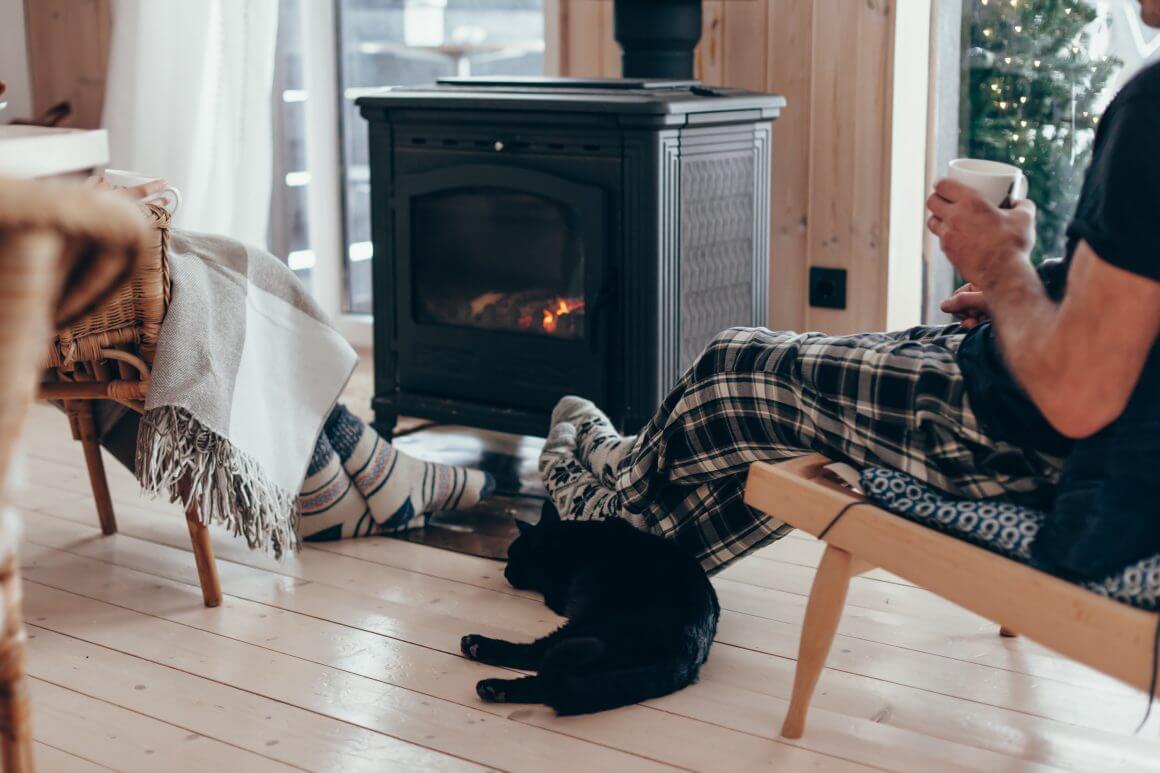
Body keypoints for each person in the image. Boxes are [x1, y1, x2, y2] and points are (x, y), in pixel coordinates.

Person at [540, 0, 1160, 579]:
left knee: (732, 365)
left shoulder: (1151, 109)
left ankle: (598, 468)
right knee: (762, 437)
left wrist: (1002, 268)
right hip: (1028, 397)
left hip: (1025, 444)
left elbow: (1078, 399)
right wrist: (1036, 291)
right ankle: (607, 507)